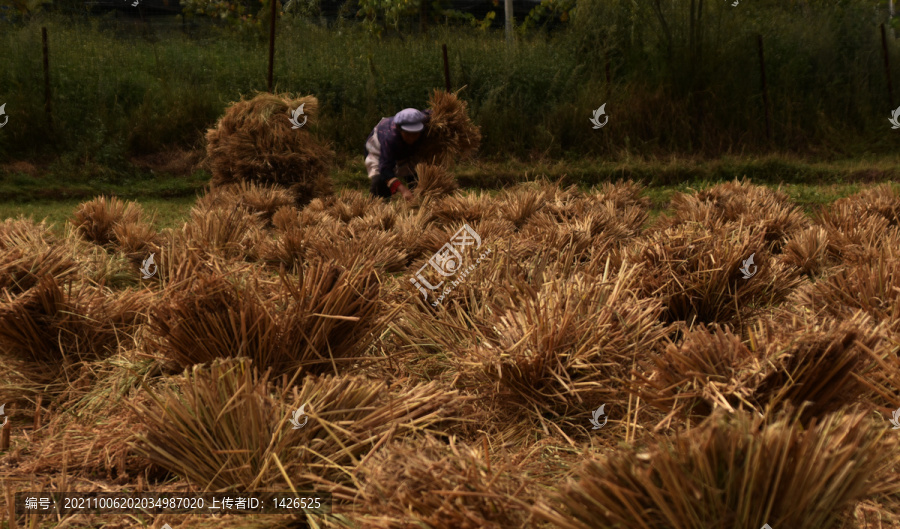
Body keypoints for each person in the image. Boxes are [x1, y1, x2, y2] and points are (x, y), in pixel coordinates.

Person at [364, 108, 431, 201]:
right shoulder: (390, 139)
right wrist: (403, 190)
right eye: (408, 134)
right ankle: (377, 204)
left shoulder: (425, 121)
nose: (411, 138)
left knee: (417, 176)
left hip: (405, 150)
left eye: (415, 134)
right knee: (380, 180)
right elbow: (385, 169)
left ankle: (418, 202)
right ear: (400, 129)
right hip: (378, 147)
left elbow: (432, 112)